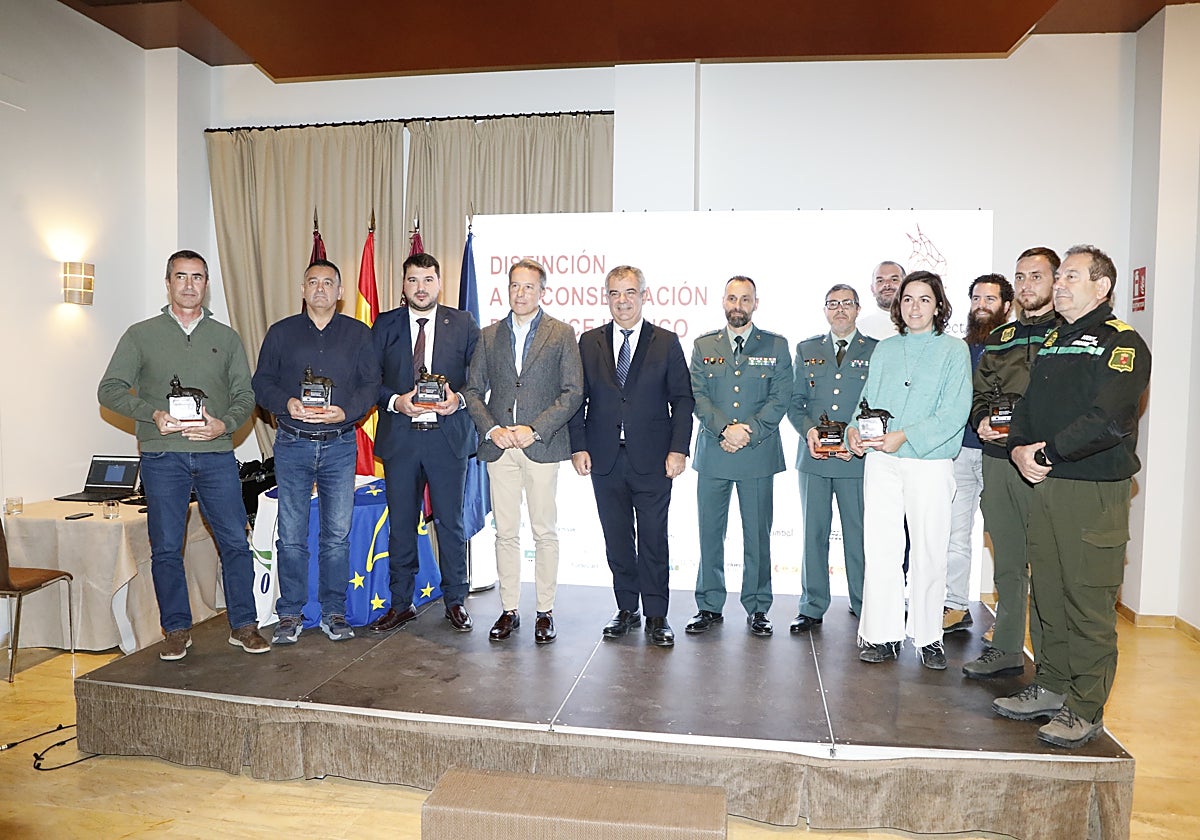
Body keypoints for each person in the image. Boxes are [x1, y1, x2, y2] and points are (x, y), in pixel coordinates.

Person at [994, 245, 1150, 748]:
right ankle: (1051, 686)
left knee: (1087, 603)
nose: (1058, 284)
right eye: (1058, 277)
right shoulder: (1056, 340)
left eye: (1071, 277)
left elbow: (1109, 418)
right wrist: (1019, 447)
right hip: (1046, 484)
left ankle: (1084, 707)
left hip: (1091, 490)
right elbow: (1027, 406)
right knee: (1049, 595)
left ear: (1102, 287)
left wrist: (1048, 453)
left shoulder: (1121, 343)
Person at [98, 250, 268, 660]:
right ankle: (175, 629)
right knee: (166, 547)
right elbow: (109, 390)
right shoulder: (140, 335)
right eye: (181, 276)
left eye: (197, 277)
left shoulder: (226, 337)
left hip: (215, 454)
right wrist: (152, 414)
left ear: (207, 285)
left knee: (235, 541)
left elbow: (245, 395)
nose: (189, 285)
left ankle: (244, 625)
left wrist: (224, 425)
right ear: (168, 282)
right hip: (162, 457)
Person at [252, 259, 380, 644]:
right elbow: (261, 383)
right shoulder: (281, 333)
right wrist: (286, 403)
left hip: (340, 444)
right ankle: (290, 613)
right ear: (303, 289)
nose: (320, 289)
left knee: (336, 536)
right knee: (291, 535)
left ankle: (334, 611)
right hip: (293, 444)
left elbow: (371, 385)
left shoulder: (359, 334)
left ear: (340, 292)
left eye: (328, 283)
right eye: (313, 282)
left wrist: (348, 411)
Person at [847, 270, 970, 669]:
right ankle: (882, 634)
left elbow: (954, 412)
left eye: (924, 299)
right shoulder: (885, 349)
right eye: (907, 299)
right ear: (898, 306)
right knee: (881, 549)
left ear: (939, 306)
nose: (914, 307)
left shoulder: (953, 351)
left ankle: (929, 637)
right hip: (882, 462)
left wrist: (905, 436)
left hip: (929, 463)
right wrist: (852, 431)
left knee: (929, 550)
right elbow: (866, 402)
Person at [569, 266, 694, 647]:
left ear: (643, 295)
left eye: (629, 293)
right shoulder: (589, 342)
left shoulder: (666, 341)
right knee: (617, 538)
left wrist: (678, 449)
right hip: (604, 458)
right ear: (606, 297)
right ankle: (626, 608)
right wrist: (578, 446)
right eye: (614, 293)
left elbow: (682, 399)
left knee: (654, 538)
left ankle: (657, 614)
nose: (621, 301)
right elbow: (576, 399)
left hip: (654, 460)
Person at [462, 258, 583, 645]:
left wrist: (535, 429)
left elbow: (573, 392)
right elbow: (472, 391)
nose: (521, 293)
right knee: (506, 533)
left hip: (540, 446)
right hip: (500, 448)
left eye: (529, 286)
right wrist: (493, 429)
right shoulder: (488, 336)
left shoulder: (561, 333)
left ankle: (545, 611)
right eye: (515, 285)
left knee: (544, 531)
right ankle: (509, 609)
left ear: (542, 291)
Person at [369, 253, 480, 634]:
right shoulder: (385, 324)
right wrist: (395, 402)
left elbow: (479, 377)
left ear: (439, 283)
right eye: (413, 280)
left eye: (428, 279)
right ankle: (401, 603)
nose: (421, 287)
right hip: (401, 440)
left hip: (447, 440)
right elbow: (369, 380)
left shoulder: (462, 323)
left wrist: (458, 400)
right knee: (401, 525)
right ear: (403, 285)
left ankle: (455, 601)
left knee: (451, 524)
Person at [963, 248, 1059, 679]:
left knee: (1050, 564)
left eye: (1035, 276)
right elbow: (980, 391)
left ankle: (1050, 663)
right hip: (999, 460)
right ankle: (1005, 648)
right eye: (1020, 277)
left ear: (1056, 280)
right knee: (1007, 559)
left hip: (1049, 463)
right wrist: (982, 418)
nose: (1026, 285)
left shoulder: (1069, 335)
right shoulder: (1000, 338)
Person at [687, 276, 792, 637]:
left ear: (755, 304)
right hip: (714, 453)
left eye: (745, 299)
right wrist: (724, 430)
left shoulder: (776, 345)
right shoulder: (703, 345)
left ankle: (758, 606)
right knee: (710, 534)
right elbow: (698, 396)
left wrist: (747, 431)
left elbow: (780, 397)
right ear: (723, 301)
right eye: (732, 298)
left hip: (757, 453)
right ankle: (708, 605)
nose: (738, 305)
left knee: (757, 536)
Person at [786, 283, 877, 631]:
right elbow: (795, 403)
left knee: (859, 536)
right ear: (825, 310)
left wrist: (858, 438)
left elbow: (877, 403)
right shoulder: (807, 349)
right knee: (814, 534)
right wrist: (809, 431)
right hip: (815, 460)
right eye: (833, 303)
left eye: (847, 303)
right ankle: (812, 606)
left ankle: (864, 603)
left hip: (856, 460)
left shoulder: (875, 350)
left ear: (858, 309)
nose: (840, 309)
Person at [942, 274, 1013, 634]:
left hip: (1001, 456)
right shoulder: (959, 349)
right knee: (955, 535)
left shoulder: (1016, 347)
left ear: (1006, 306)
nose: (982, 305)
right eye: (976, 298)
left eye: (990, 299)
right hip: (960, 453)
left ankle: (1007, 622)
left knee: (1004, 538)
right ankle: (955, 606)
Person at [857, 261, 905, 339]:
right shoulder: (859, 329)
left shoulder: (922, 323)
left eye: (894, 279)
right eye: (880, 281)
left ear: (906, 285)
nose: (887, 285)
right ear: (872, 289)